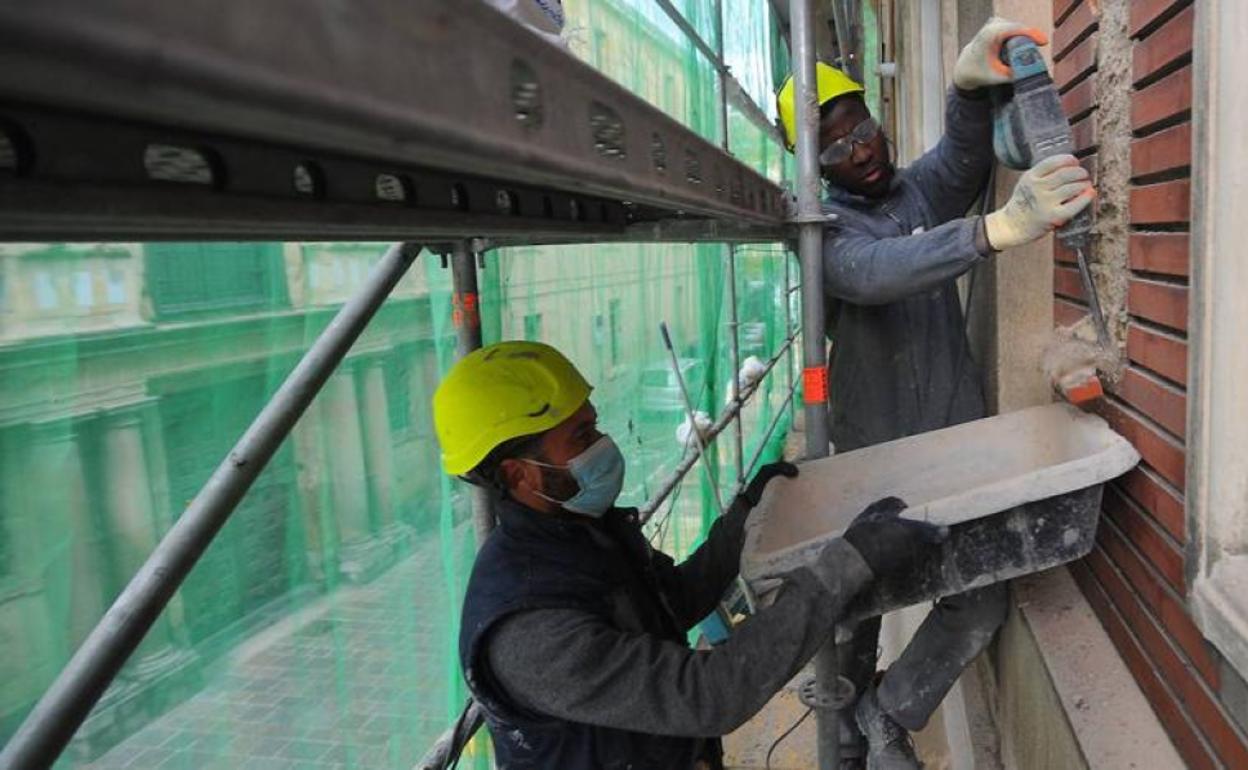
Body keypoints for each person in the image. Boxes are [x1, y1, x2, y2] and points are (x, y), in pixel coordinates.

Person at [775, 17, 1095, 770]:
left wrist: (962, 87)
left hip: (952, 448)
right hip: (872, 459)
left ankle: (890, 713)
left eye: (864, 126)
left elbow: (958, 159)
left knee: (978, 595)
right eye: (839, 145)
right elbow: (875, 273)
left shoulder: (910, 192)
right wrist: (996, 231)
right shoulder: (825, 231)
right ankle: (843, 739)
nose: (862, 149)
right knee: (850, 611)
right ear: (811, 166)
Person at [435, 340, 944, 770]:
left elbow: (671, 601)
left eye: (594, 425)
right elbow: (706, 695)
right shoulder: (529, 632)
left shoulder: (579, 534)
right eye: (581, 438)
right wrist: (848, 563)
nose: (604, 445)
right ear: (517, 475)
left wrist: (743, 519)